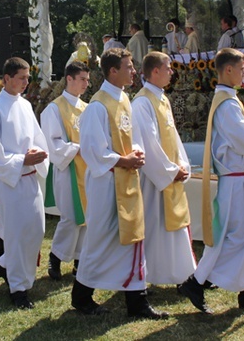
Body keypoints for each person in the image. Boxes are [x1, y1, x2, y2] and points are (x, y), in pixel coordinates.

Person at [179, 48, 244, 313]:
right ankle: (197, 281)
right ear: (228, 70)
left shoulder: (230, 100)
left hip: (241, 179)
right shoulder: (226, 105)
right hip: (234, 184)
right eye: (242, 68)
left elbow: (238, 144)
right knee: (231, 239)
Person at [71, 48, 168, 319]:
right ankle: (80, 296)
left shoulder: (124, 98)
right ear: (113, 71)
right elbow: (92, 151)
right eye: (128, 66)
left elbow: (132, 136)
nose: (134, 71)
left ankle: (137, 301)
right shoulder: (98, 106)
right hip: (106, 183)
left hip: (126, 179)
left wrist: (136, 152)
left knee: (132, 239)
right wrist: (122, 160)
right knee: (100, 239)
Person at [0, 57, 50, 309]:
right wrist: (22, 159)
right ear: (6, 78)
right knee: (19, 233)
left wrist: (38, 155)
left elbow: (37, 137)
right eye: (22, 77)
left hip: (29, 177)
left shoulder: (24, 105)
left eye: (28, 77)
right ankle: (18, 288)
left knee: (36, 230)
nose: (26, 82)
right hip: (8, 180)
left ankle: (4, 265)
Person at [132, 52, 196, 289]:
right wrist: (169, 171)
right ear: (155, 71)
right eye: (168, 68)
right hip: (153, 179)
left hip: (169, 175)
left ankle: (179, 273)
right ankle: (151, 275)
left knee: (173, 228)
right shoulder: (142, 102)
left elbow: (172, 136)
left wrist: (182, 164)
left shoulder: (162, 99)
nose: (172, 72)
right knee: (155, 228)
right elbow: (148, 143)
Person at [40, 60, 90, 281]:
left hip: (87, 171)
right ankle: (56, 258)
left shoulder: (87, 108)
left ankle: (81, 262)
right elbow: (53, 143)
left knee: (87, 218)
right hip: (68, 170)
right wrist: (77, 148)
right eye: (82, 79)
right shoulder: (55, 108)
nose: (86, 84)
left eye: (87, 80)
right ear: (69, 79)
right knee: (70, 218)